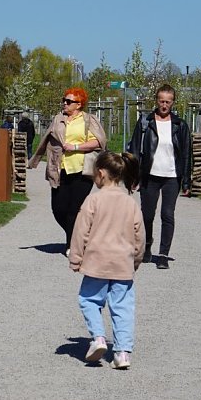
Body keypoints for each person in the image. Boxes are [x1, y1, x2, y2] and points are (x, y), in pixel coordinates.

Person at [69, 150, 144, 369]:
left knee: (89, 300)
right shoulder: (131, 204)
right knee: (122, 308)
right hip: (123, 264)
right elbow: (140, 235)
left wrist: (76, 258)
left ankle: (99, 338)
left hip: (96, 263)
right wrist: (136, 260)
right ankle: (122, 353)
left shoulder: (93, 200)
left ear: (101, 173)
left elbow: (80, 231)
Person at [28, 87, 106, 253]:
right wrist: (36, 158)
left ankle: (72, 245)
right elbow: (46, 140)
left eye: (68, 101)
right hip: (60, 169)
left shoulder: (89, 119)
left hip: (82, 170)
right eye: (64, 100)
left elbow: (100, 142)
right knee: (58, 209)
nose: (64, 103)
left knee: (72, 210)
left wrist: (76, 146)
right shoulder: (58, 119)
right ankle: (81, 236)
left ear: (78, 105)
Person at [126, 83, 192, 269]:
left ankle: (163, 254)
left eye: (168, 102)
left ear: (173, 103)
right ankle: (147, 246)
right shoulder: (145, 123)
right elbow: (135, 152)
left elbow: (186, 154)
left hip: (172, 175)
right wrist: (133, 178)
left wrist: (186, 180)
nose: (164, 105)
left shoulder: (180, 125)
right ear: (156, 101)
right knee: (147, 215)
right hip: (150, 175)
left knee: (167, 214)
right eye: (162, 101)